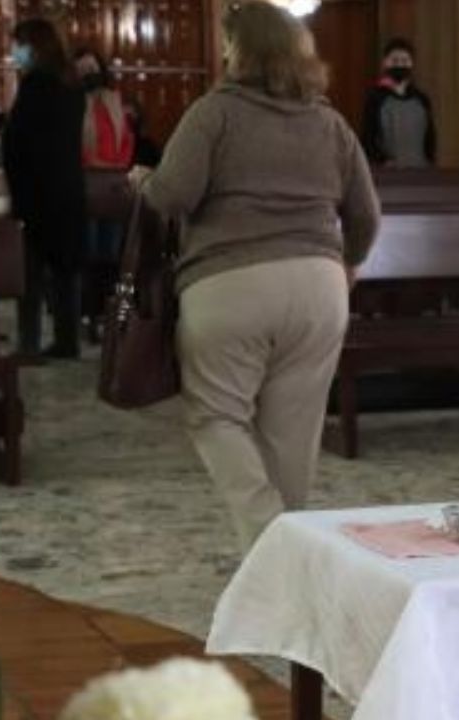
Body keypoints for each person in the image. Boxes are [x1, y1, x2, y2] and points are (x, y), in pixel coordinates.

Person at [133, 0, 380, 550]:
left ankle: (274, 540)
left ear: (237, 51)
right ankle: (281, 573)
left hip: (231, 283)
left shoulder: (215, 112)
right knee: (291, 437)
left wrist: (141, 181)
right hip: (319, 288)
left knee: (217, 416)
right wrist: (348, 263)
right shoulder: (329, 121)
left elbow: (171, 195)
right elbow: (366, 215)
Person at [2, 18, 86, 359]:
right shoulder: (71, 83)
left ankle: (29, 343)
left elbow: (20, 139)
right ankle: (68, 341)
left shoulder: (37, 83)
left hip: (36, 190)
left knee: (30, 274)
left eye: (18, 44)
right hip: (66, 186)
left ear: (35, 46)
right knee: (65, 271)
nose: (15, 51)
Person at [75, 47, 134, 342]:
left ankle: (108, 316)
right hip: (86, 184)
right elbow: (76, 147)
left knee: (111, 256)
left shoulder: (114, 100)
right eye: (82, 70)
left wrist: (118, 165)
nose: (89, 75)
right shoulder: (74, 103)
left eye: (92, 68)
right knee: (89, 255)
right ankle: (88, 317)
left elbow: (126, 140)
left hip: (113, 185)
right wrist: (95, 163)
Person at [361, 37, 435, 168]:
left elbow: (430, 137)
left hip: (421, 170)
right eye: (395, 60)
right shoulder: (375, 98)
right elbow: (368, 137)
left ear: (412, 63)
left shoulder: (422, 99)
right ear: (385, 63)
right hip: (386, 172)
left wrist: (430, 160)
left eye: (405, 60)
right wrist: (382, 161)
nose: (400, 65)